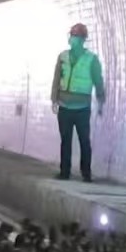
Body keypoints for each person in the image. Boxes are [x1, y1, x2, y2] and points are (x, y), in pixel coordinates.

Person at [51, 23, 105, 182]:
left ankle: (86, 173)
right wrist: (54, 99)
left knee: (84, 140)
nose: (71, 38)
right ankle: (64, 172)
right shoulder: (62, 57)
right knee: (65, 140)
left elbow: (98, 82)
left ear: (82, 39)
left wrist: (101, 101)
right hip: (64, 106)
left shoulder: (92, 59)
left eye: (74, 36)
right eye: (71, 35)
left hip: (82, 108)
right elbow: (56, 79)